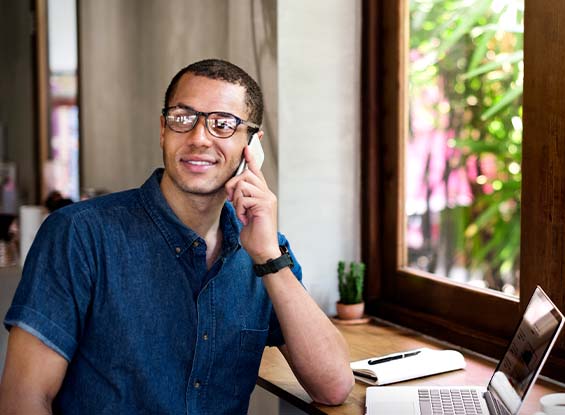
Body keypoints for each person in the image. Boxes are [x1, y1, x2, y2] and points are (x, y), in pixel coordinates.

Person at [0, 59, 353, 414]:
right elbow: (23, 399)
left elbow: (333, 386)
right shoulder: (78, 235)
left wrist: (268, 258)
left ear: (252, 146)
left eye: (223, 125)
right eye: (183, 118)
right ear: (162, 130)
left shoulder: (264, 252)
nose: (199, 138)